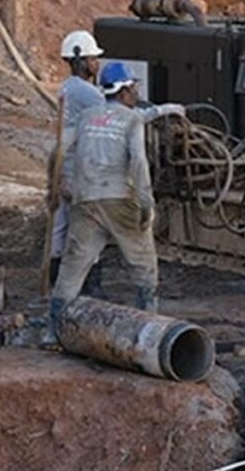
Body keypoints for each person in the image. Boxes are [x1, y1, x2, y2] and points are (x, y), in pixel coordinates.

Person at [46, 62, 182, 341]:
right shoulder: (131, 120)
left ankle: (53, 332)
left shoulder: (86, 117)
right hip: (121, 200)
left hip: (85, 201)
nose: (135, 93)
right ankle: (149, 332)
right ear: (123, 91)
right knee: (144, 268)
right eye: (133, 88)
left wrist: (57, 184)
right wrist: (146, 203)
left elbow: (57, 150)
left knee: (71, 270)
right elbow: (139, 162)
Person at [50, 30, 106, 296]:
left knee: (60, 226)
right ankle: (89, 285)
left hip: (64, 165)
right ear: (79, 61)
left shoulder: (66, 88)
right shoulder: (89, 94)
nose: (96, 63)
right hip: (81, 169)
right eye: (92, 59)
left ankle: (56, 280)